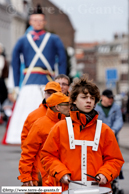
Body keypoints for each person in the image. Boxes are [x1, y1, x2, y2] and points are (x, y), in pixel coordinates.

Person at [41, 75, 124, 193]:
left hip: (99, 190)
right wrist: (62, 173)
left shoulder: (105, 130)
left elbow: (115, 160)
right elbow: (47, 156)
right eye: (84, 97)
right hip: (67, 189)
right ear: (74, 99)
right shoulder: (59, 128)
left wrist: (105, 174)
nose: (89, 100)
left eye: (92, 98)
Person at [5, 4, 67, 144]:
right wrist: (15, 86)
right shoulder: (22, 40)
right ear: (30, 22)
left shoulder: (54, 39)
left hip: (48, 81)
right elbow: (14, 63)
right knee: (27, 112)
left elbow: (62, 60)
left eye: (40, 20)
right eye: (35, 20)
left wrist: (62, 83)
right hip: (28, 81)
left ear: (44, 22)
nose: (38, 23)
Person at [18, 92, 70, 187]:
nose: (70, 107)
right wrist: (26, 176)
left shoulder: (71, 123)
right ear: (57, 107)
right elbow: (28, 152)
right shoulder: (40, 125)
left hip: (67, 178)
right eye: (67, 104)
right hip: (45, 179)